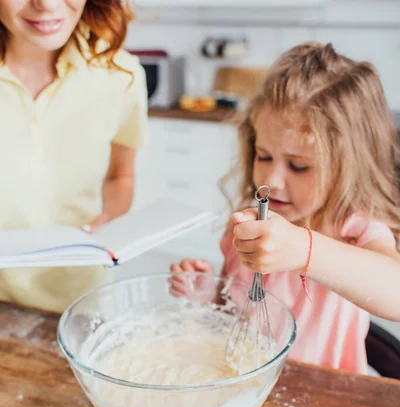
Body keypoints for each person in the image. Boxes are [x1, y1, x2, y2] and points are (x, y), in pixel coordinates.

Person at [171, 42, 400, 374]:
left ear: (350, 167)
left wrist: (304, 249)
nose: (272, 180)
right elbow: (236, 305)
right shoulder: (247, 225)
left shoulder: (353, 228)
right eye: (264, 156)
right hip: (248, 386)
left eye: (299, 166)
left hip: (324, 403)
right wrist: (208, 294)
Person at [0, 0, 148, 313]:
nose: (46, 4)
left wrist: (111, 220)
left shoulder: (120, 73)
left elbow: (120, 174)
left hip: (80, 297)